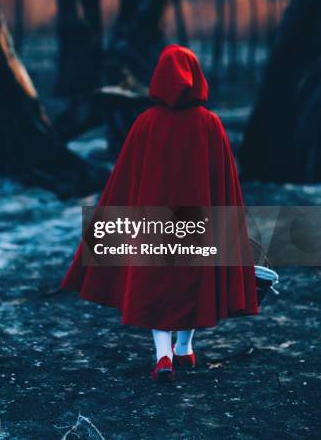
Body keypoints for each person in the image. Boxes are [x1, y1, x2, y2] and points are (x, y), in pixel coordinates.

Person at [61, 45, 258, 382]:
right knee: (192, 284)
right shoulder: (210, 124)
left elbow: (125, 181)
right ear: (196, 76)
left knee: (156, 285)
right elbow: (224, 181)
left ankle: (163, 356)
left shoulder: (145, 123)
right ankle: (184, 349)